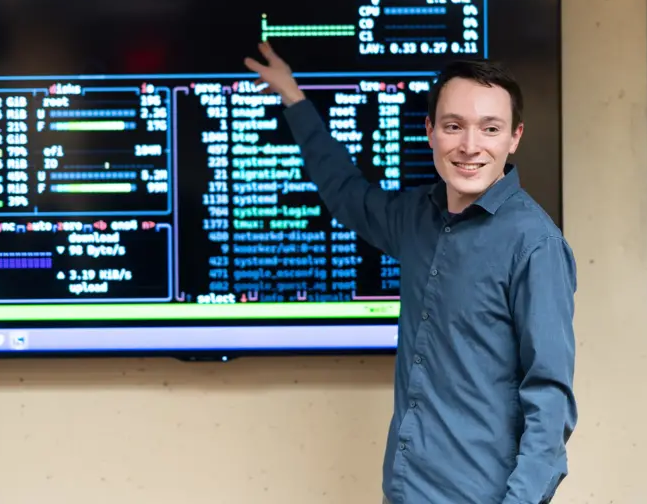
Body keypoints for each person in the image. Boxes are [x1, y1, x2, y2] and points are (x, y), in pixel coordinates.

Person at [244, 42, 578, 504]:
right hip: (402, 492)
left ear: (514, 137)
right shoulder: (414, 218)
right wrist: (293, 97)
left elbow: (549, 398)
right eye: (453, 126)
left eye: (490, 128)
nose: (469, 146)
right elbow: (345, 191)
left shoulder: (536, 245)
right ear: (430, 131)